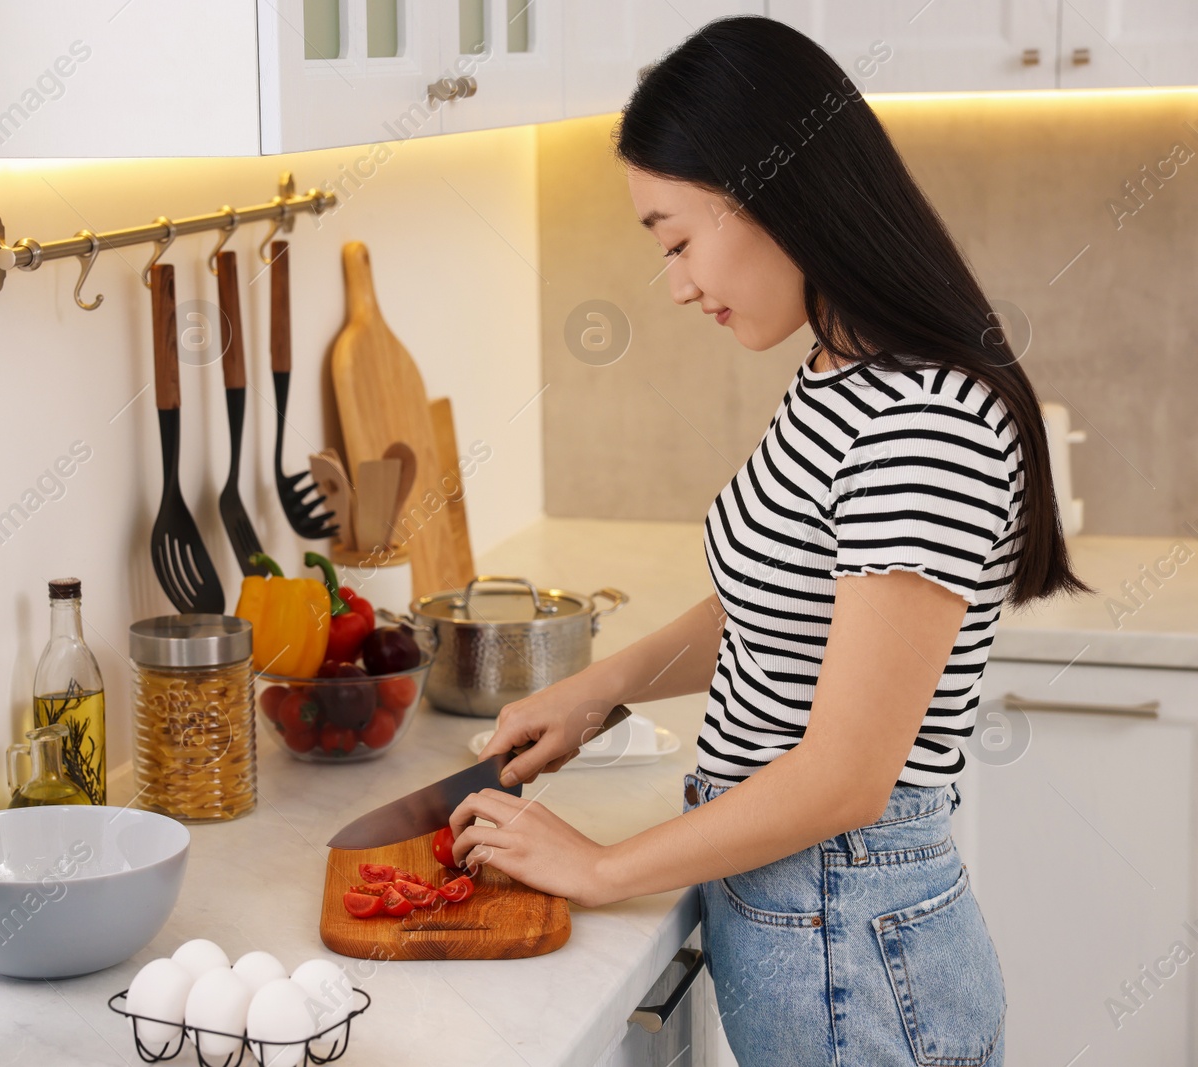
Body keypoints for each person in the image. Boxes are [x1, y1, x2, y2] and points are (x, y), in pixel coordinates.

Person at [445, 15, 1090, 1067]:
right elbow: (782, 601)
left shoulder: (920, 420)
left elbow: (844, 776)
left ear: (774, 192)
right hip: (812, 926)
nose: (681, 283)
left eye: (676, 238)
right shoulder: (842, 371)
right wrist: (598, 687)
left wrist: (603, 866)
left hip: (857, 947)